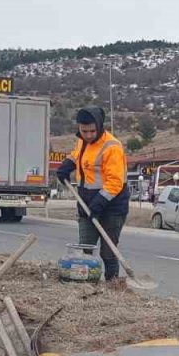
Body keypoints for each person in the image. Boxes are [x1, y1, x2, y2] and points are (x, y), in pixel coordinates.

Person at [57, 106, 128, 282]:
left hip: (112, 206)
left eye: (92, 131)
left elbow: (115, 182)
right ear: (79, 128)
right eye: (84, 131)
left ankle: (112, 284)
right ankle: (86, 283)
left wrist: (99, 203)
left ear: (99, 126)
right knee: (85, 248)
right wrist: (67, 165)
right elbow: (78, 155)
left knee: (108, 251)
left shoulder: (112, 146)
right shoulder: (82, 141)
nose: (88, 135)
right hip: (86, 202)